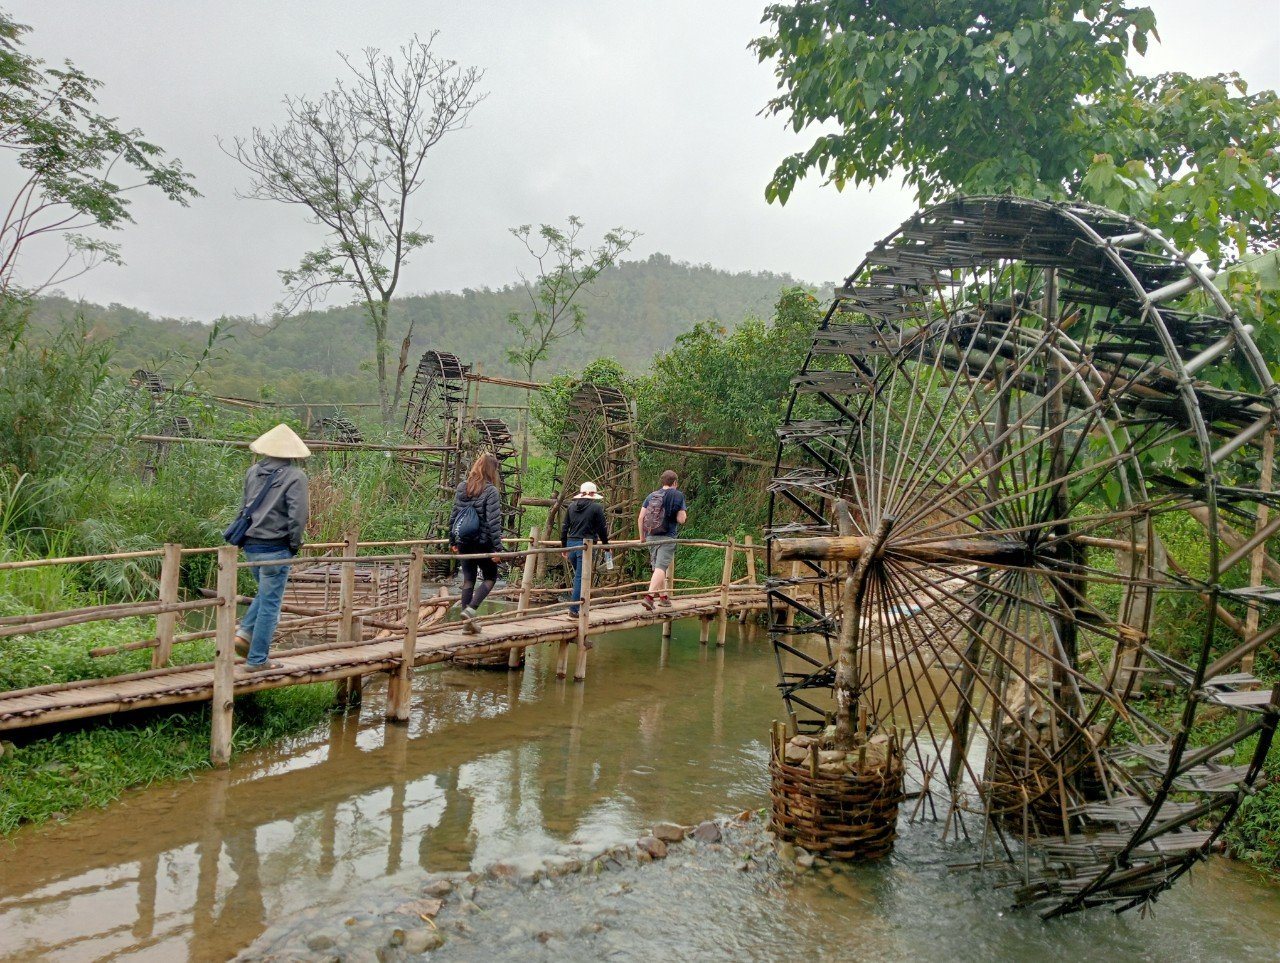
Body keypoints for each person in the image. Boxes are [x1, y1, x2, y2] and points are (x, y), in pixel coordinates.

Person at [234, 423, 311, 671]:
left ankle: (245, 633)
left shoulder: (252, 471)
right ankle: (257, 660)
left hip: (251, 545)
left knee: (266, 595)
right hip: (276, 548)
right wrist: (294, 544)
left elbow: (245, 507)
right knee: (270, 605)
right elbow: (298, 516)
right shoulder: (295, 476)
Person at [448, 452, 504, 633]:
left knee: (468, 580)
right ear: (491, 470)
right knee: (490, 577)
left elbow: (454, 515)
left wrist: (453, 539)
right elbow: (494, 521)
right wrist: (497, 549)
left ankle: (467, 625)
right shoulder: (491, 491)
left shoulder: (462, 487)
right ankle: (471, 609)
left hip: (464, 541)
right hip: (483, 542)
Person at [637, 469, 687, 611]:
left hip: (651, 536)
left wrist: (642, 537)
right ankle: (649, 597)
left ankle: (664, 597)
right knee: (661, 568)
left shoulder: (651, 496)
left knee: (657, 568)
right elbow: (681, 519)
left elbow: (641, 518)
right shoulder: (677, 495)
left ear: (663, 482)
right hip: (667, 536)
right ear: (675, 482)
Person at [561, 480, 610, 617]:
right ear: (593, 494)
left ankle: (580, 607)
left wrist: (563, 546)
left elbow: (564, 528)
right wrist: (606, 547)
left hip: (571, 544)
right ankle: (574, 610)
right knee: (580, 577)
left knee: (580, 576)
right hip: (585, 547)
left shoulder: (571, 507)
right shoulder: (596, 508)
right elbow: (602, 529)